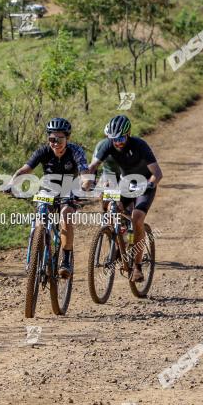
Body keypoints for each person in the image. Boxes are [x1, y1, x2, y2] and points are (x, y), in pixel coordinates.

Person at [6, 118, 88, 278]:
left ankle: (65, 259)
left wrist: (84, 187)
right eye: (52, 139)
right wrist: (11, 182)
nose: (55, 142)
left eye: (59, 139)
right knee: (40, 217)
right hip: (49, 187)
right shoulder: (43, 151)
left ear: (67, 138)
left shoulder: (76, 151)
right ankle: (37, 252)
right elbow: (25, 170)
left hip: (69, 187)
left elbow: (85, 174)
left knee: (66, 216)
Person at [85, 115, 162, 283]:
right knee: (113, 206)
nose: (117, 142)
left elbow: (157, 173)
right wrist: (87, 180)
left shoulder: (140, 145)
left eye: (121, 138)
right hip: (126, 183)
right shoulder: (107, 144)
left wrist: (151, 184)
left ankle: (137, 266)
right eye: (114, 139)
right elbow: (93, 166)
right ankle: (121, 239)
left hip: (144, 183)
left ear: (128, 134)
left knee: (137, 218)